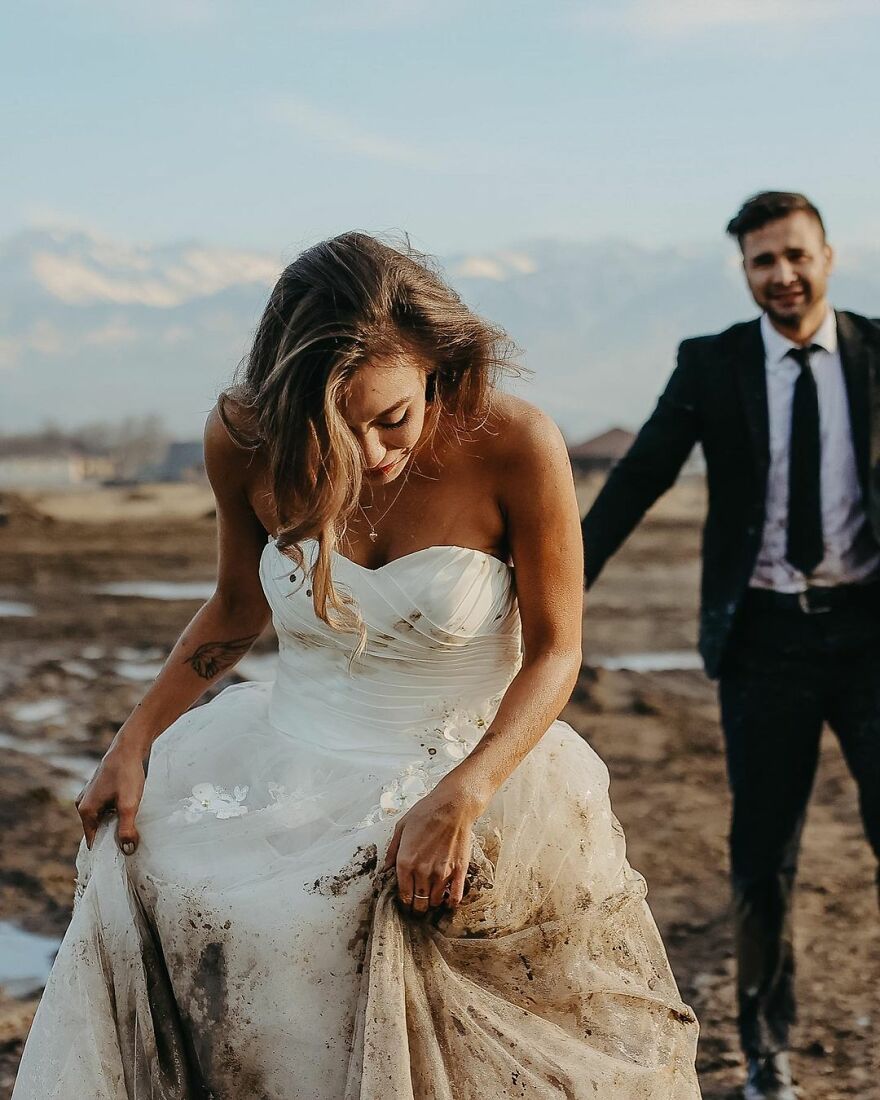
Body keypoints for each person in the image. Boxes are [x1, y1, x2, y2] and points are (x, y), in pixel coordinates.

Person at [13, 232, 699, 1099]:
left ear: (436, 364)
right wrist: (134, 738)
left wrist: (465, 793)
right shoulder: (242, 440)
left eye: (393, 419)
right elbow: (235, 606)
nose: (371, 454)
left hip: (472, 768)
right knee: (149, 880)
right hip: (291, 755)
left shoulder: (516, 443)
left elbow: (559, 649)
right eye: (336, 428)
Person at [581, 191, 880, 1100]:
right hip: (763, 645)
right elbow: (640, 476)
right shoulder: (711, 365)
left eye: (795, 255)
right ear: (746, 271)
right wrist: (553, 588)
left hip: (871, 638)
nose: (782, 276)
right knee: (762, 857)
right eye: (762, 261)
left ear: (828, 255)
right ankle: (766, 1057)